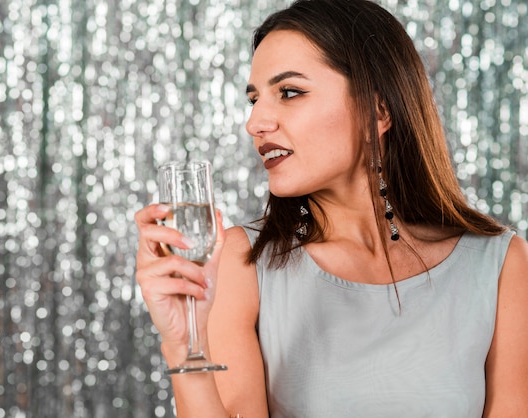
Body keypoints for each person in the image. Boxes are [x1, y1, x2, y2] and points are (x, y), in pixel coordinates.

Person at [135, 0, 528, 416]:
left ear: (379, 109)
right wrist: (182, 348)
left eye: (289, 92)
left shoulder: (498, 265)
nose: (256, 123)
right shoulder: (241, 262)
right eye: (254, 99)